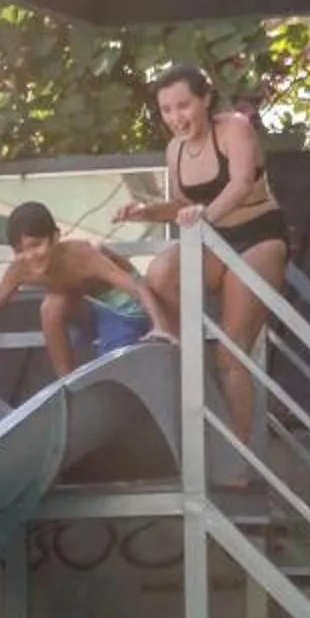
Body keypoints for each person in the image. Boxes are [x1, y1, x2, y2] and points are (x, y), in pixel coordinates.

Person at [121, 62, 290, 443]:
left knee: (231, 355)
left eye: (183, 106)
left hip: (258, 237)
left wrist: (204, 219)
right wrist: (146, 210)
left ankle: (241, 460)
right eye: (166, 110)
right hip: (213, 240)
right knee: (161, 272)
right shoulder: (174, 150)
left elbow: (243, 183)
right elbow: (182, 204)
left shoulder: (234, 129)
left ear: (206, 99)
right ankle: (186, 358)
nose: (175, 118)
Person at [0, 201, 172, 380]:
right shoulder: (22, 269)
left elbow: (137, 287)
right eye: (21, 250)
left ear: (55, 237)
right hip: (93, 310)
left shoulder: (81, 254)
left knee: (114, 372)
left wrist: (161, 326)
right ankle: (67, 383)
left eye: (36, 245)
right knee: (50, 306)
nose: (30, 256)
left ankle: (112, 364)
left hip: (126, 310)